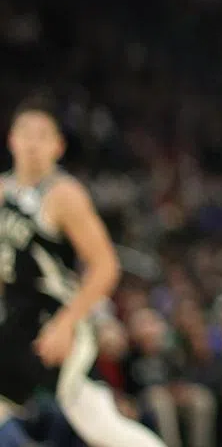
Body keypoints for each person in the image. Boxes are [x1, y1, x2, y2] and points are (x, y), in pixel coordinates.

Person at [0, 97, 167, 447]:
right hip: (14, 319)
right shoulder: (2, 190)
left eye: (42, 135)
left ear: (57, 146)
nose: (32, 142)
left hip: (54, 319)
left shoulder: (63, 194)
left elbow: (106, 266)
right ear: (11, 139)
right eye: (25, 133)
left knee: (100, 425)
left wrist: (66, 324)